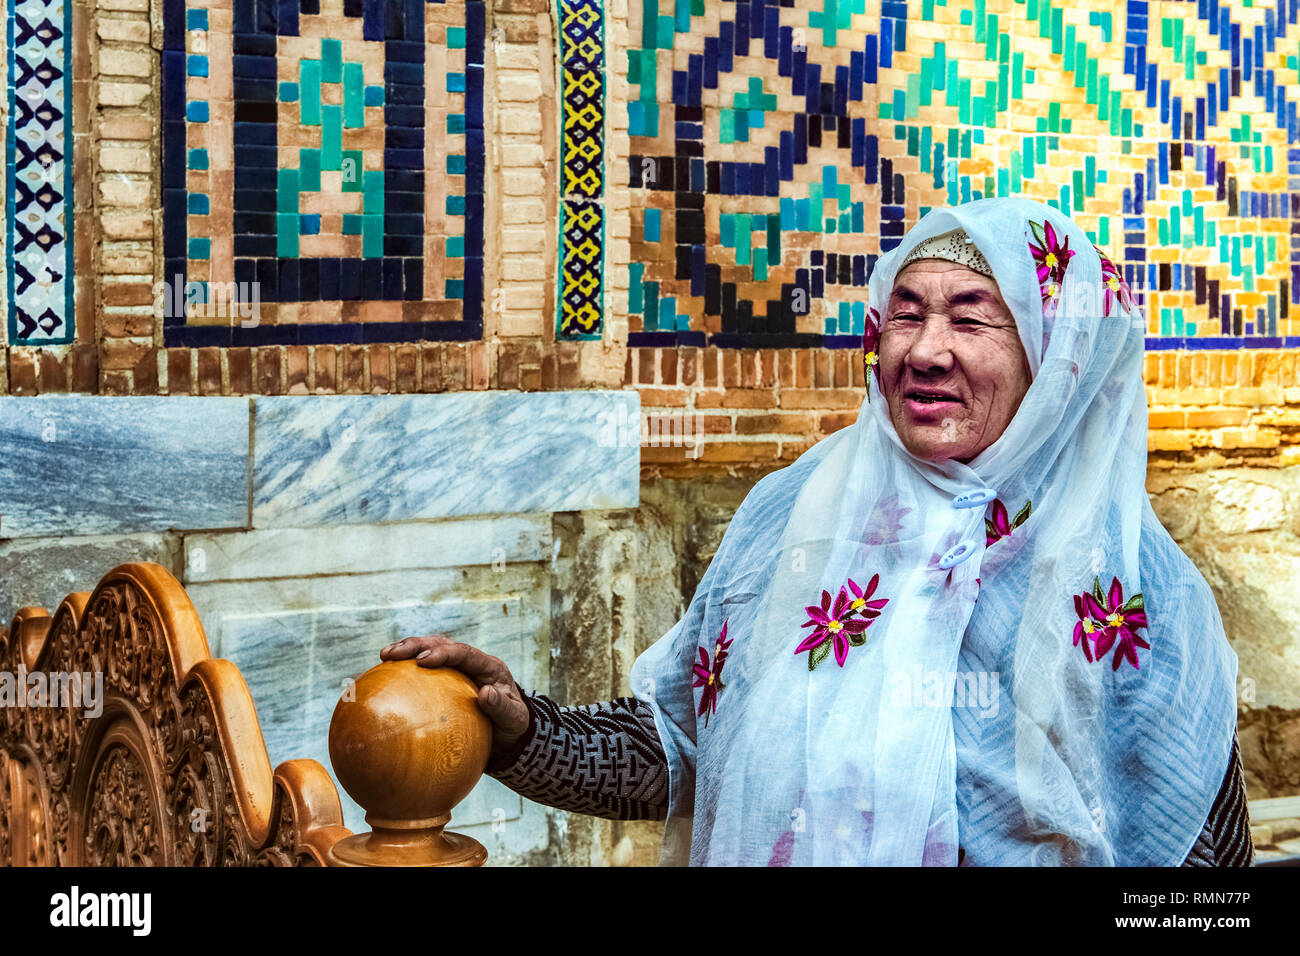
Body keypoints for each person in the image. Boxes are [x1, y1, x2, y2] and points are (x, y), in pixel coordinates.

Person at [381, 197, 1252, 866]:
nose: (925, 349)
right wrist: (523, 733)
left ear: (1055, 362)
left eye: (973, 318)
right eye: (906, 313)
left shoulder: (1131, 589)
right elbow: (682, 745)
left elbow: (1197, 863)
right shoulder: (791, 515)